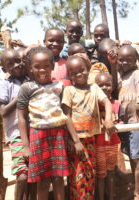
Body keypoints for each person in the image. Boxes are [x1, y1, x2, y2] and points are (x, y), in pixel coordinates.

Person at [17, 47, 83, 200]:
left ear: (53, 66)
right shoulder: (26, 88)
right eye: (37, 66)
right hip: (37, 136)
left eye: (46, 66)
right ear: (30, 68)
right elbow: (21, 118)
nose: (42, 70)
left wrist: (73, 139)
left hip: (58, 134)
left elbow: (65, 114)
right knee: (43, 180)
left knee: (59, 178)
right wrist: (26, 146)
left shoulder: (59, 87)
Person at [61, 55, 116, 200]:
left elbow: (107, 102)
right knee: (77, 177)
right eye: (74, 73)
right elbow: (66, 116)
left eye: (82, 70)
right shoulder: (69, 90)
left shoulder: (94, 88)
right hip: (76, 141)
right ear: (70, 75)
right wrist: (76, 141)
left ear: (88, 70)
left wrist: (109, 118)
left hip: (91, 139)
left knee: (90, 173)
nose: (79, 74)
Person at [0, 49, 33, 200]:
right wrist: (20, 95)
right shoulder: (4, 85)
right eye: (11, 64)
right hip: (16, 135)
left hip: (35, 132)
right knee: (22, 175)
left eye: (18, 60)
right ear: (4, 69)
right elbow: (3, 112)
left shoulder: (32, 79)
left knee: (33, 174)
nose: (17, 65)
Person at [117, 45, 139, 200]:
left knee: (137, 158)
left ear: (134, 60)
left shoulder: (137, 74)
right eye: (121, 59)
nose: (124, 63)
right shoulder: (119, 77)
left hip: (135, 121)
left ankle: (138, 192)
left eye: (129, 59)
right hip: (124, 124)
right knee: (132, 156)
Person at [94, 72, 121, 200]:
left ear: (112, 86)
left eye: (107, 84)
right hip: (98, 144)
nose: (104, 87)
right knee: (100, 175)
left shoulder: (116, 103)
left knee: (111, 172)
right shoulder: (94, 104)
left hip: (113, 143)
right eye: (100, 85)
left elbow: (119, 121)